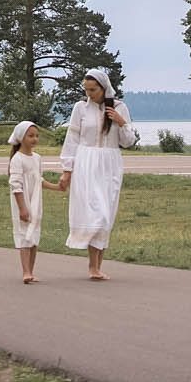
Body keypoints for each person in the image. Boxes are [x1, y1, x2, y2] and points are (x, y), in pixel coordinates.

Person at [56, 68, 129, 281]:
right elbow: (72, 139)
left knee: (106, 214)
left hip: (110, 163)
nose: (89, 94)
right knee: (93, 212)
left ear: (104, 88)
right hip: (86, 162)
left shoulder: (119, 107)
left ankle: (98, 266)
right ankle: (92, 266)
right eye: (86, 90)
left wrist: (120, 122)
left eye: (93, 90)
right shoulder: (80, 108)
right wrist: (67, 170)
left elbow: (127, 141)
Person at [6, 120, 58, 283]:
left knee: (34, 237)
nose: (34, 139)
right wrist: (22, 208)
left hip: (36, 203)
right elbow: (16, 185)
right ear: (21, 137)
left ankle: (31, 271)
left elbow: (38, 180)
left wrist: (57, 187)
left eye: (36, 136)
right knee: (23, 235)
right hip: (23, 203)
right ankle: (26, 272)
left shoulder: (37, 158)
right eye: (30, 136)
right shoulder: (17, 159)